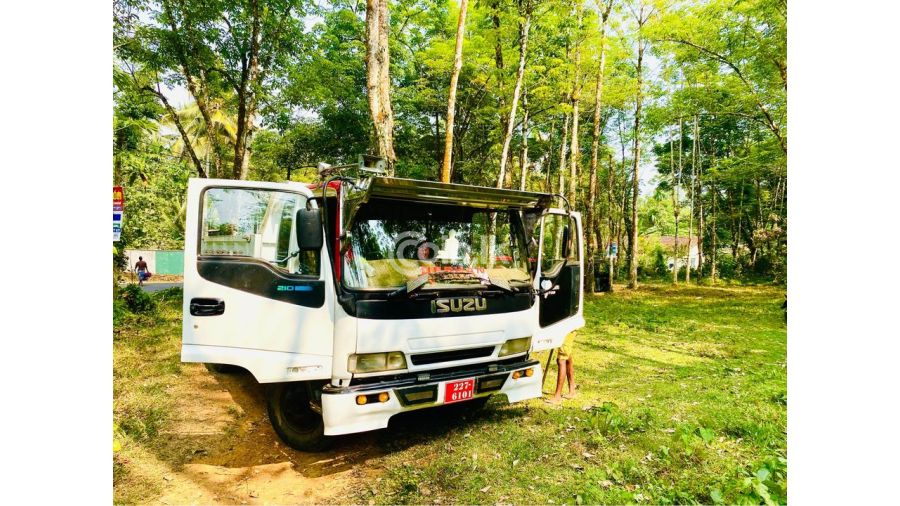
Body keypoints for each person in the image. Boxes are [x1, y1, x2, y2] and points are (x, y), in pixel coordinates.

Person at [547, 331, 577, 405]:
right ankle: (572, 391)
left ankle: (557, 396)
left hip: (568, 328)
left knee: (561, 360)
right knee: (567, 356)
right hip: (565, 328)